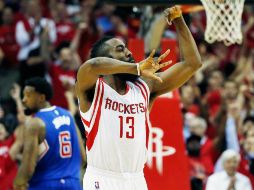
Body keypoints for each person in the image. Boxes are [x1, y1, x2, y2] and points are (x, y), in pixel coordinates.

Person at [76, 6, 202, 190]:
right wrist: (135, 68)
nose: (128, 53)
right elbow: (92, 66)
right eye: (120, 49)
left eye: (126, 48)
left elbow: (193, 63)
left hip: (136, 180)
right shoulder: (93, 89)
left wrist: (179, 20)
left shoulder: (144, 87)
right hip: (102, 178)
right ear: (107, 58)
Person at [13, 77, 86, 190]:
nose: (24, 100)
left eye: (28, 95)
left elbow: (28, 167)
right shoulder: (68, 115)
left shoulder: (35, 123)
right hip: (73, 183)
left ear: (41, 98)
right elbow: (83, 157)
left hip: (44, 184)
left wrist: (18, 183)